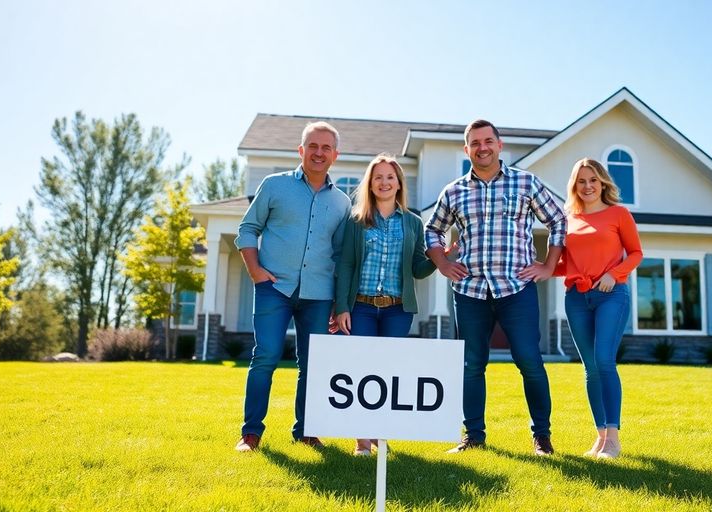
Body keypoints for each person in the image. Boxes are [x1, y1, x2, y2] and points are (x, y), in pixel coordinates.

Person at [425, 119, 567, 456]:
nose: (482, 147)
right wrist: (443, 264)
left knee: (530, 361)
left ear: (500, 145)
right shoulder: (454, 191)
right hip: (470, 291)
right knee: (472, 364)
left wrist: (549, 265)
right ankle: (473, 436)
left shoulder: (526, 183)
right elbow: (432, 230)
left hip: (516, 289)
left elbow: (558, 220)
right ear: (466, 150)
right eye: (475, 143)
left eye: (488, 141)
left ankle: (542, 437)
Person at [233, 121, 351, 452]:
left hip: (318, 294)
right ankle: (251, 434)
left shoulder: (342, 203)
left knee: (312, 364)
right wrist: (255, 270)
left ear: (335, 155)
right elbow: (247, 228)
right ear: (301, 151)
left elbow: (341, 254)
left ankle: (307, 431)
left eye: (326, 147)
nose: (318, 152)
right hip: (274, 288)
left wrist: (337, 302)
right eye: (312, 146)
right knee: (266, 356)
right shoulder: (274, 186)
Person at [333, 152, 437, 456]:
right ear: (370, 183)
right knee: (362, 370)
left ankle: (381, 433)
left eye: (390, 177)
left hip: (396, 309)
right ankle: (362, 441)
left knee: (387, 373)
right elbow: (346, 265)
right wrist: (342, 307)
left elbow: (417, 268)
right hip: (361, 307)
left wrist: (436, 257)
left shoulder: (413, 223)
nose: (384, 182)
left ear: (399, 183)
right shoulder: (356, 220)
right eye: (378, 177)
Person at [556, 158, 643, 459]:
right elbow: (565, 263)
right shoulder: (569, 219)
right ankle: (600, 436)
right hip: (577, 298)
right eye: (582, 181)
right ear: (574, 186)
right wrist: (536, 269)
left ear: (603, 182)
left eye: (593, 180)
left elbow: (635, 253)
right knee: (590, 367)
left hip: (611, 294)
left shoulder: (618, 214)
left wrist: (614, 275)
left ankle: (614, 439)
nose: (588, 186)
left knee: (604, 360)